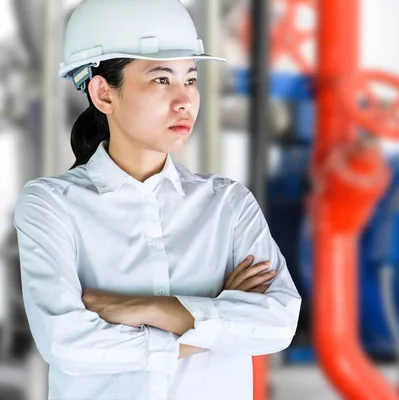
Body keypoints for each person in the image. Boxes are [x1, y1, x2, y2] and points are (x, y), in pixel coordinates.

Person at [12, 0, 301, 399]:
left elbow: (279, 323)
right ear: (103, 93)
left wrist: (144, 308)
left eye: (191, 79)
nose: (184, 100)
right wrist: (215, 321)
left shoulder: (229, 204)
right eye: (162, 79)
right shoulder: (51, 205)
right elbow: (68, 344)